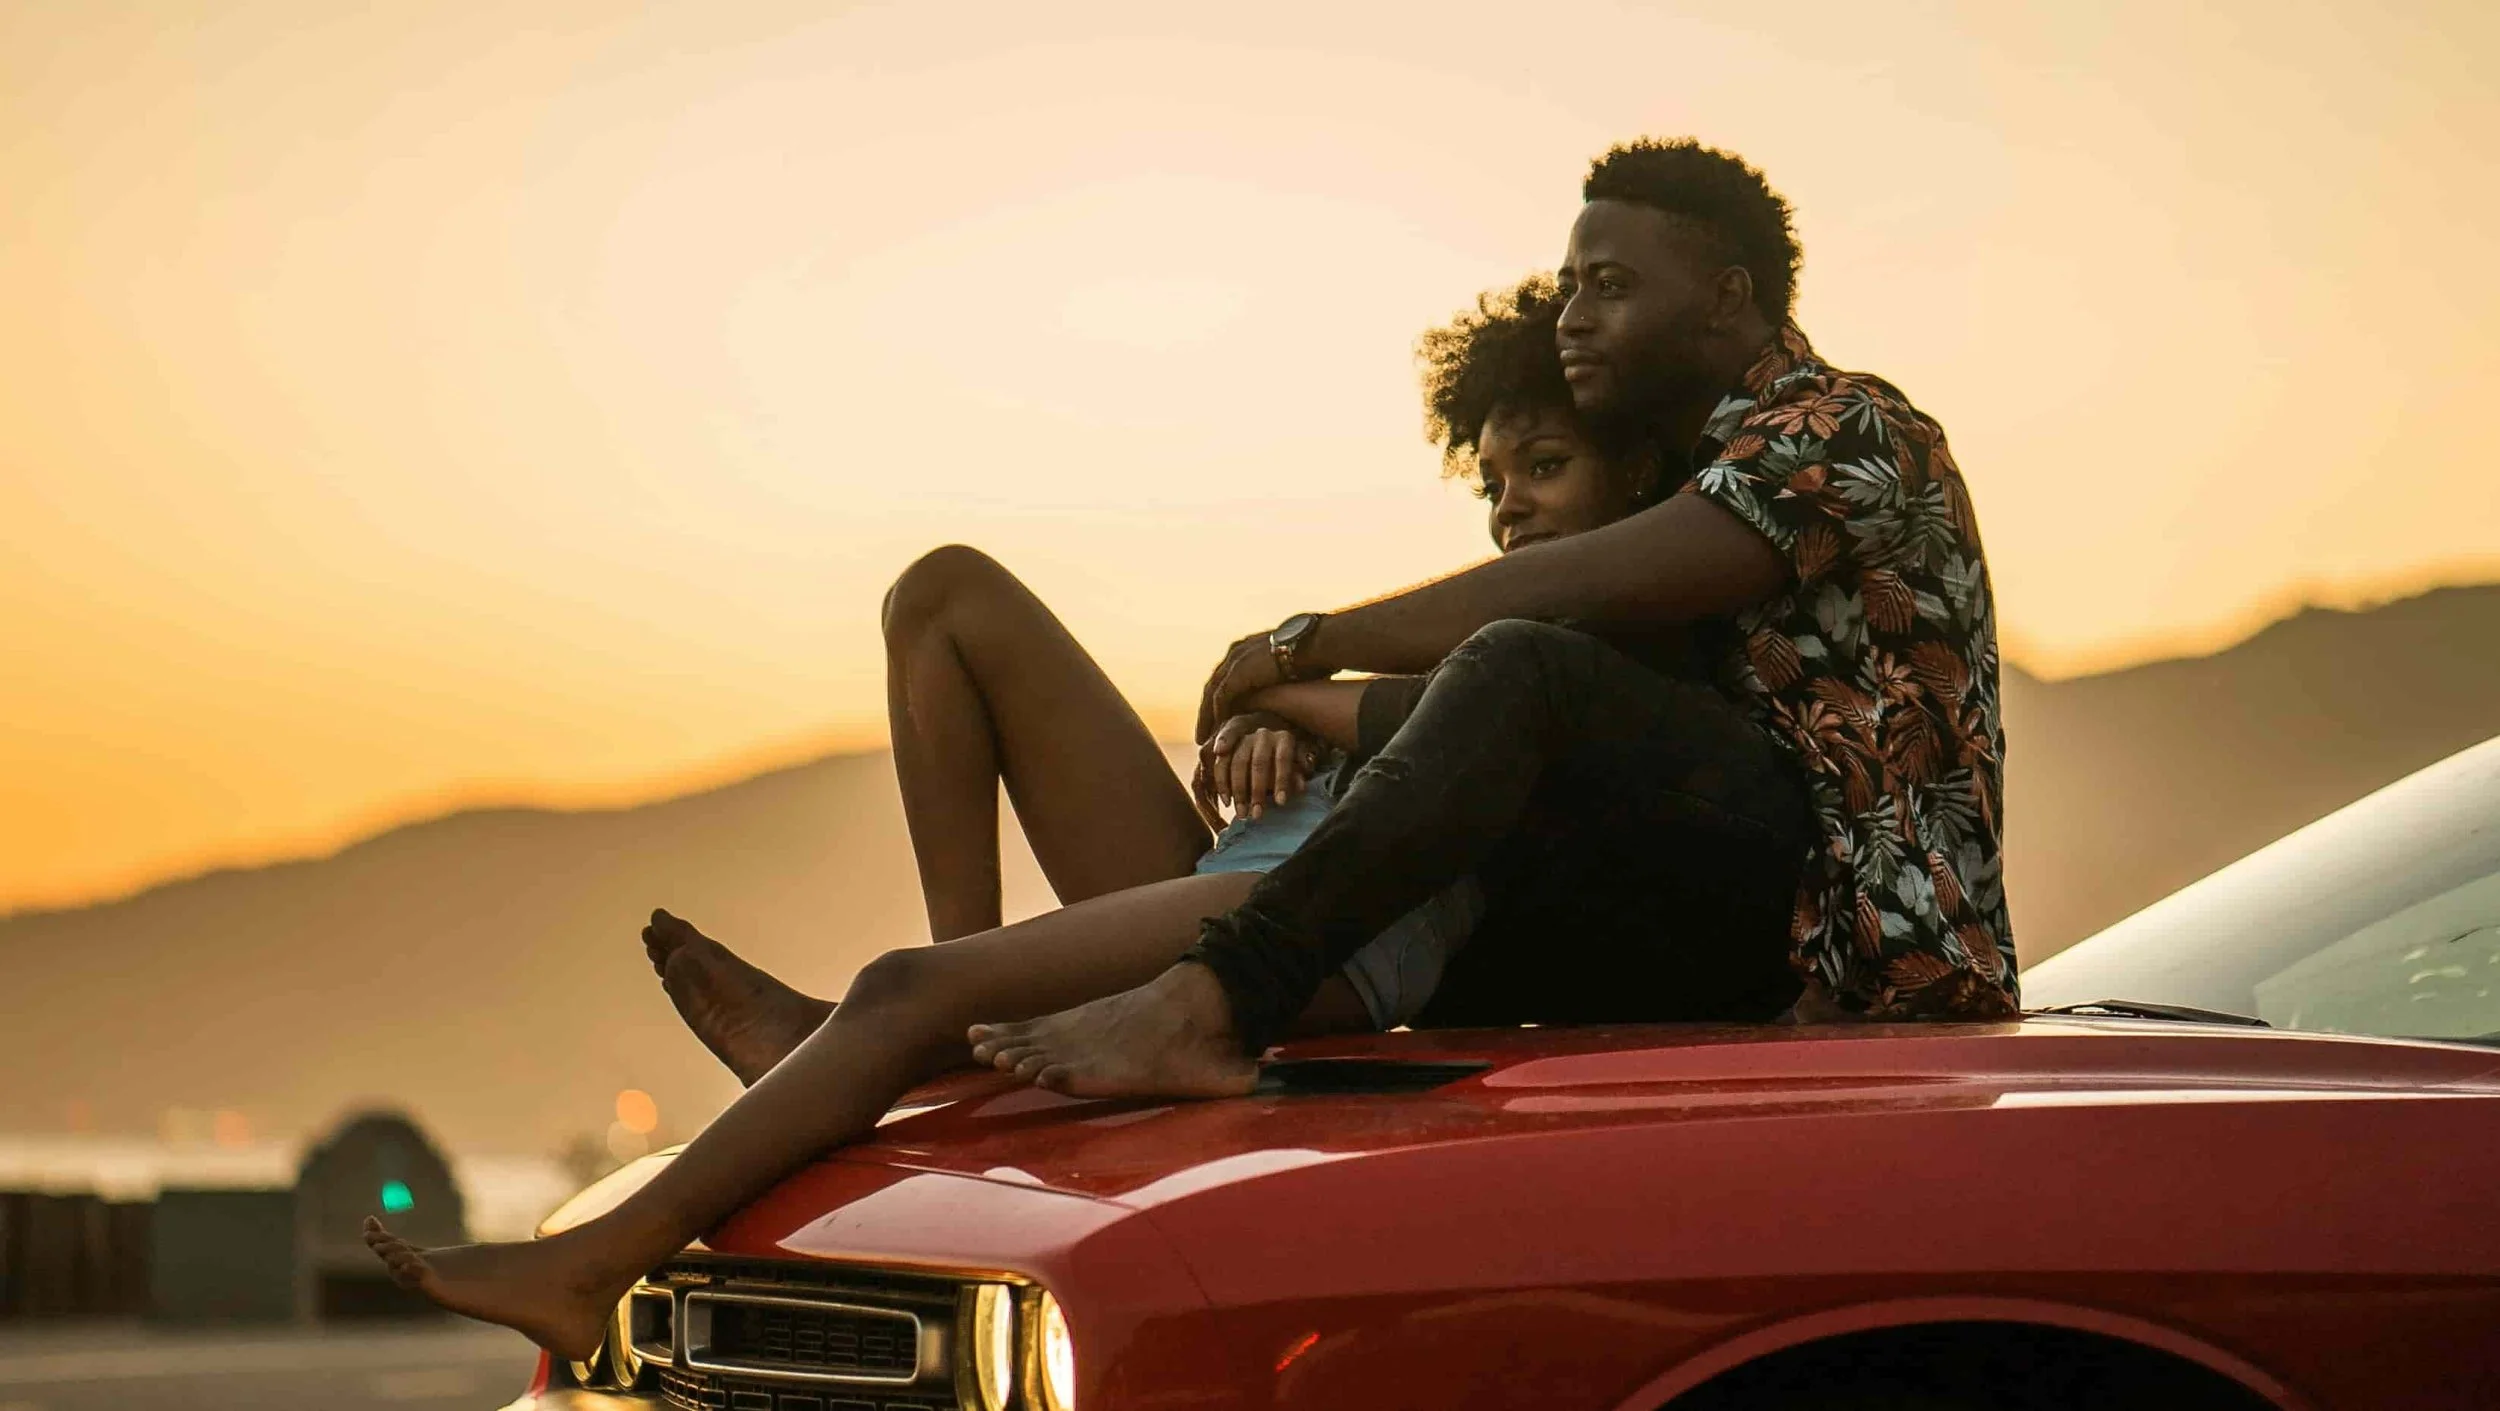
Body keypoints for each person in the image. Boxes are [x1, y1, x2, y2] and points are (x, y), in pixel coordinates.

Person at [362, 273, 1666, 1360]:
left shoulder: (1601, 652)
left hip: (1313, 938)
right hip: (1231, 871)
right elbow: (1382, 720)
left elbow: (1485, 738)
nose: (1512, 507)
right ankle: (927, 1033)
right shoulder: (1475, 637)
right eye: (1495, 480)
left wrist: (1306, 701)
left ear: (1636, 481)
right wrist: (1286, 723)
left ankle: (600, 1256)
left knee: (905, 982)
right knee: (945, 595)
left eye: (1546, 466)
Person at [969, 137, 2018, 1102]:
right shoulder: (1674, 465)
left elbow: (1553, 604)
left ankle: (1207, 999)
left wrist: (1306, 649)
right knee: (1454, 861)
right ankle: (1034, 1016)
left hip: (1880, 956)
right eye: (1568, 287)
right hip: (1705, 911)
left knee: (1523, 665)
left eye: (1609, 286)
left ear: (1722, 297)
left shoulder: (1845, 427)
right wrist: (1302, 712)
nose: (1571, 315)